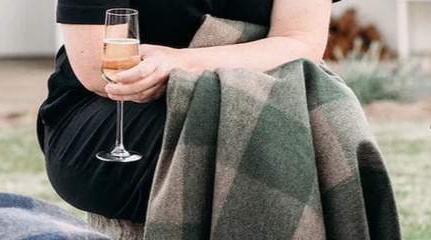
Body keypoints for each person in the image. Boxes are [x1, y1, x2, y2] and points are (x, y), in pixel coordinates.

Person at [38, 0, 343, 224]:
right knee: (265, 154)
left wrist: (180, 64)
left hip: (262, 97)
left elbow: (300, 42)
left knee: (333, 143)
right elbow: (98, 68)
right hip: (111, 111)